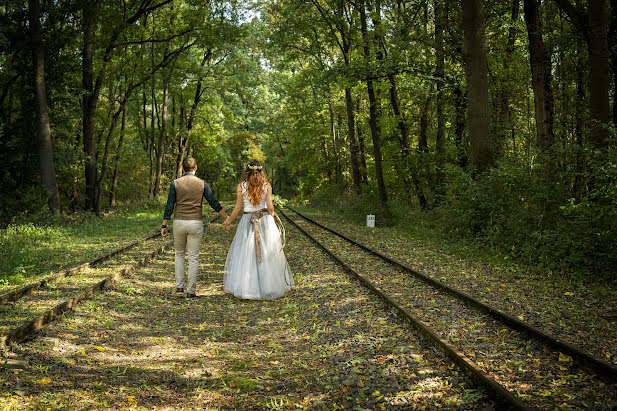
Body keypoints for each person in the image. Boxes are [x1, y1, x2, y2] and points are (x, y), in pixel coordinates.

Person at [223, 160, 293, 300]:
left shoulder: (241, 186)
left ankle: (248, 288)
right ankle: (268, 287)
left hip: (247, 221)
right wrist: (272, 216)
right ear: (261, 171)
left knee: (247, 254)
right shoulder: (266, 185)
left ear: (247, 172)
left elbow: (238, 208)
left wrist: (228, 221)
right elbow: (270, 206)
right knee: (267, 253)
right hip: (264, 220)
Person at [161, 157, 229, 298]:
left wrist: (164, 225)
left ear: (183, 168)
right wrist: (226, 218)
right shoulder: (202, 184)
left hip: (179, 222)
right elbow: (213, 202)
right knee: (193, 257)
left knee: (179, 255)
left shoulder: (175, 183)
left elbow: (169, 205)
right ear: (195, 168)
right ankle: (190, 292)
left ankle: (179, 288)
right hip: (195, 223)